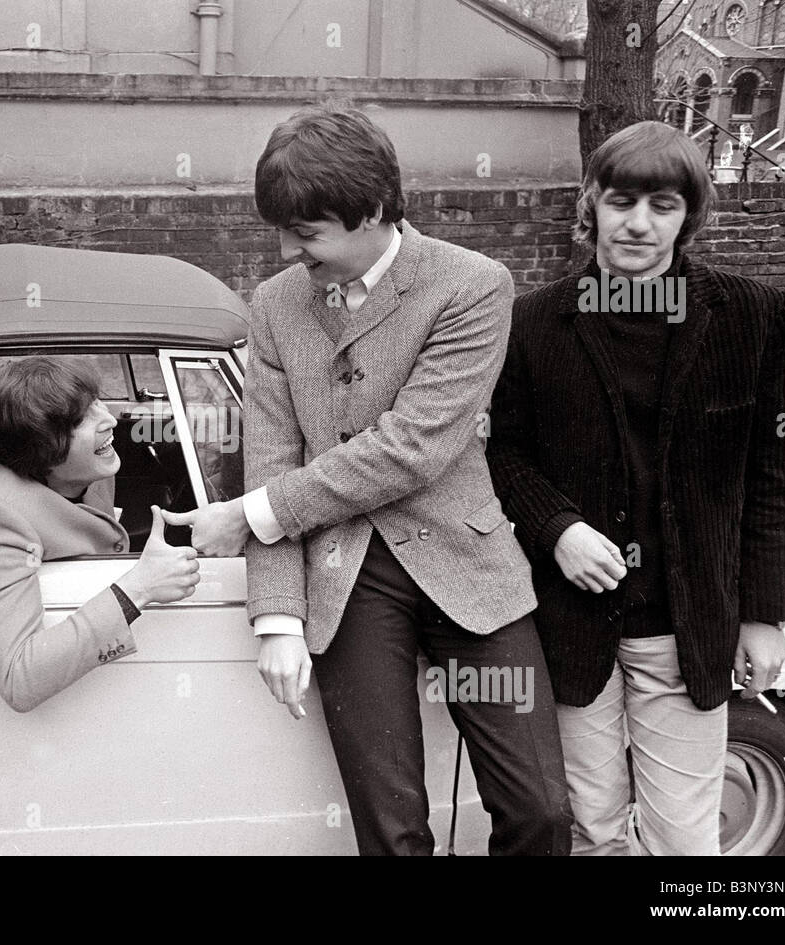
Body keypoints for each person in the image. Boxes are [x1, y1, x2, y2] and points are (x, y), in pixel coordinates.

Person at [165, 103, 572, 855]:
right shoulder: (276, 306)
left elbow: (412, 448)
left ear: (375, 209)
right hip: (344, 577)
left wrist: (253, 514)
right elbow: (272, 455)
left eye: (307, 231)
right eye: (281, 229)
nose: (288, 248)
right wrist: (278, 618)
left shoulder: (472, 285)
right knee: (390, 831)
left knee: (542, 808)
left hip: (469, 565)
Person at [486, 120, 785, 855]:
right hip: (571, 624)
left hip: (688, 622)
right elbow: (503, 452)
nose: (639, 223)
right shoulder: (533, 322)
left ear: (689, 214)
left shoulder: (754, 317)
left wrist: (764, 615)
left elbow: (774, 474)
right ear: (590, 204)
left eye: (663, 204)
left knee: (684, 840)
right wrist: (557, 526)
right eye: (622, 200)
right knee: (592, 831)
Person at [0, 356, 200, 712]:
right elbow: (19, 676)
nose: (110, 419)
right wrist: (139, 587)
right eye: (82, 418)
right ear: (38, 447)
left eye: (97, 401)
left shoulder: (86, 468)